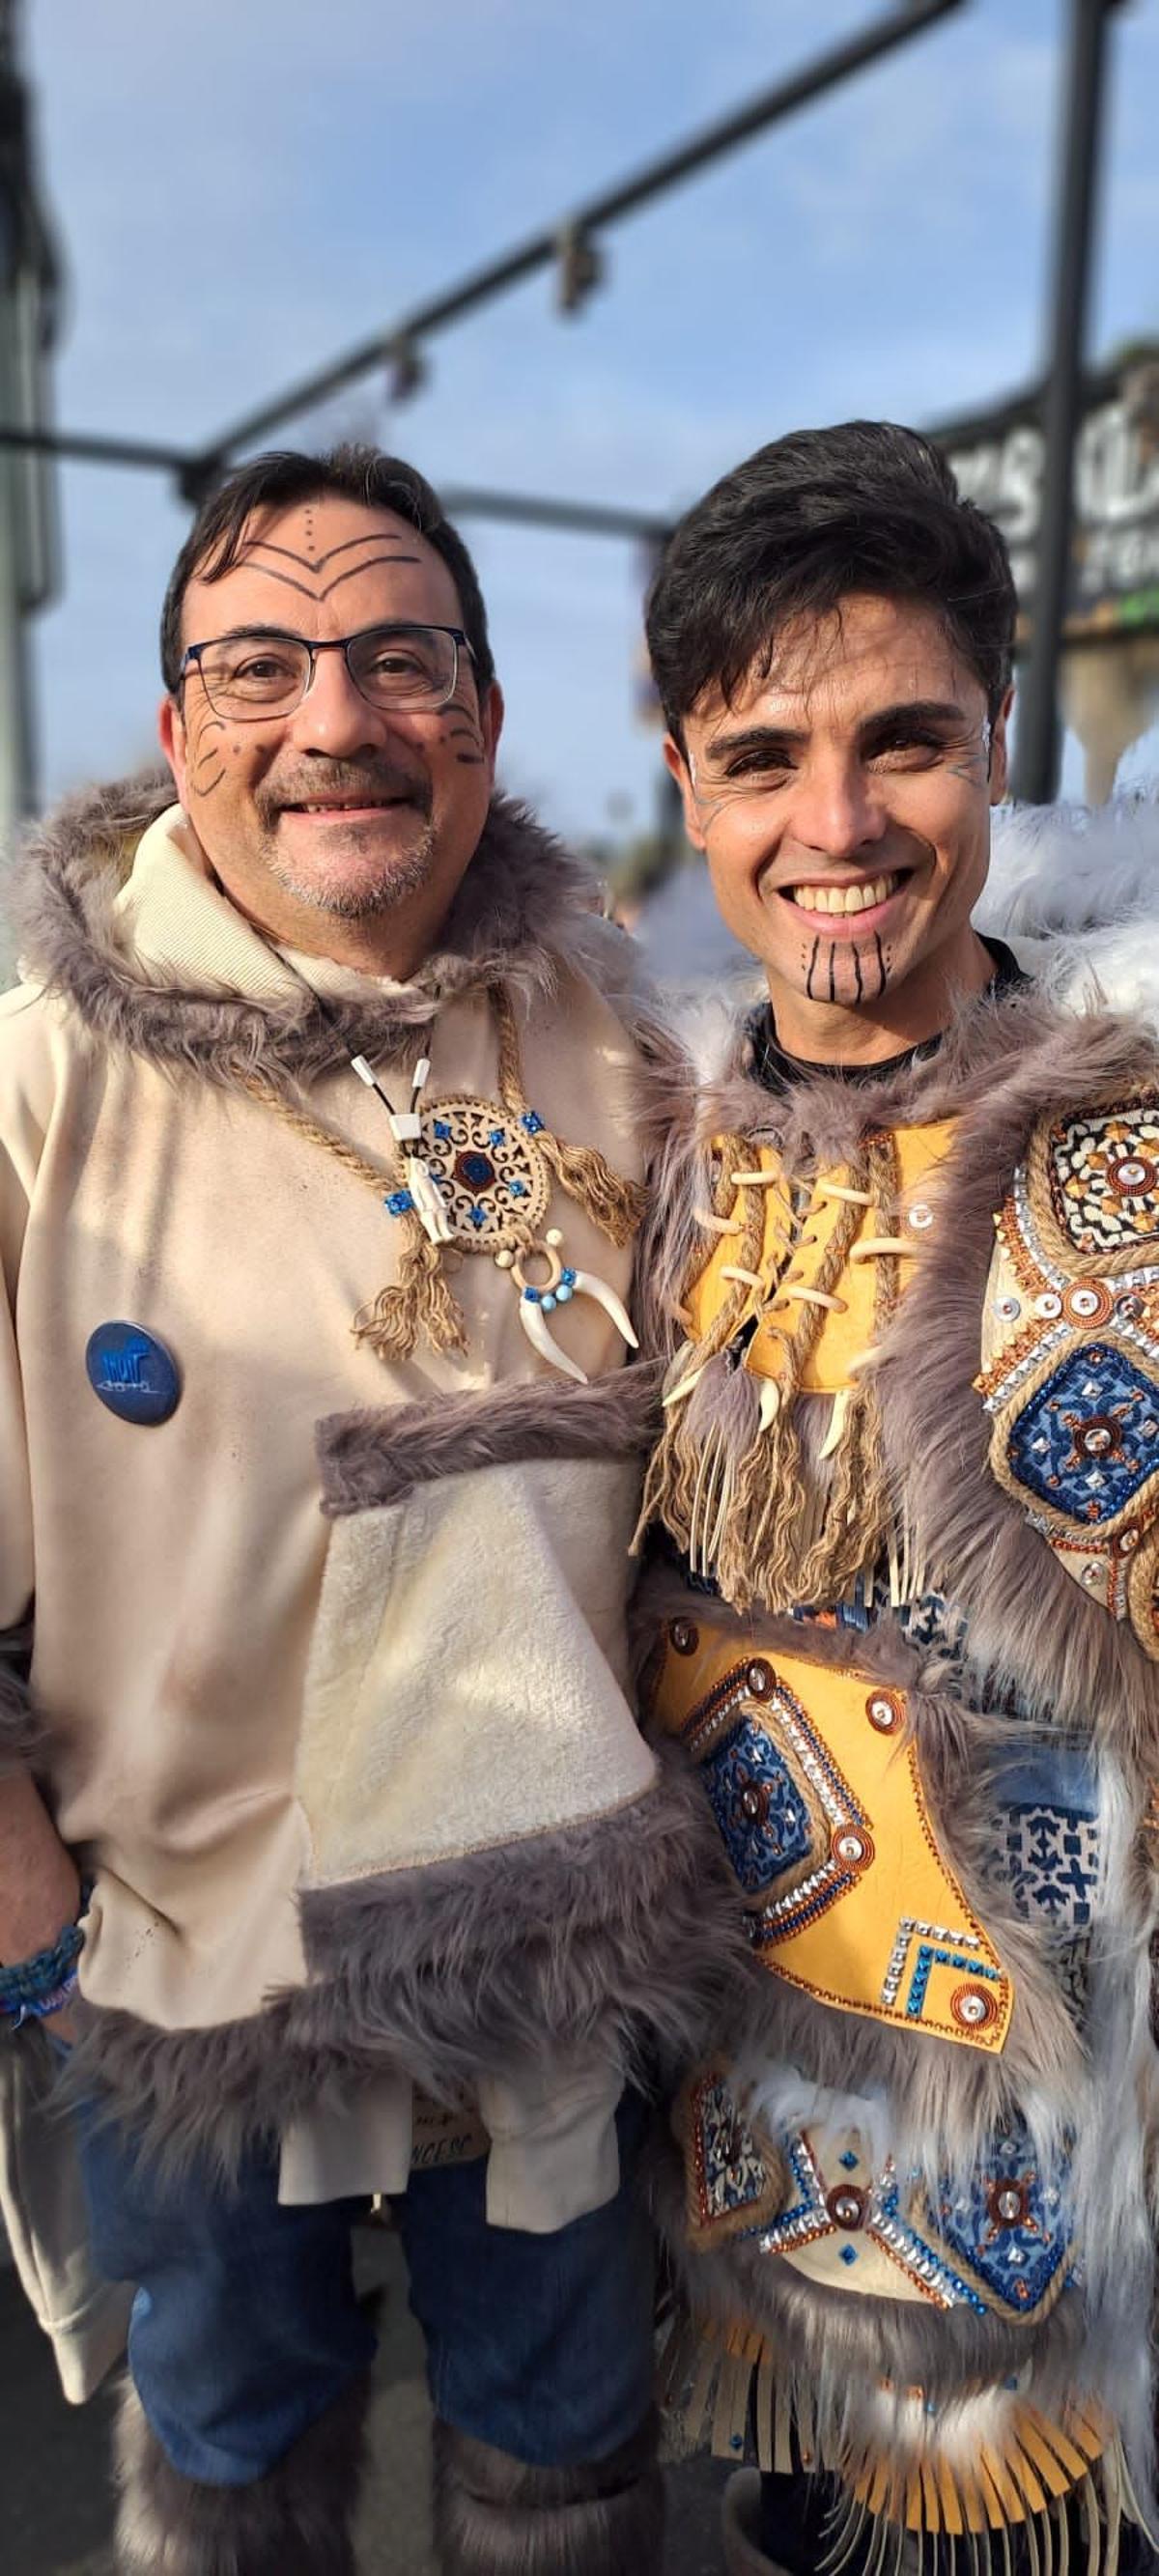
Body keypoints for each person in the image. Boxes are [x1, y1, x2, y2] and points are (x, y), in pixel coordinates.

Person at [0, 442, 721, 2576]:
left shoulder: (612, 1032)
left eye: (401, 657)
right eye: (262, 663)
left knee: (567, 2439)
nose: (337, 719)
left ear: (487, 724)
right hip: (193, 1957)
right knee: (232, 2440)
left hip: (559, 1975)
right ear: (173, 730)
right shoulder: (41, 1072)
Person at [633, 421, 1159, 2575]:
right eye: (765, 755)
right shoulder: (630, 1157)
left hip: (1056, 2217)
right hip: (726, 2160)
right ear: (686, 781)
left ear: (1002, 741)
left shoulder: (1125, 1166)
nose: (834, 824)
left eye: (902, 741)